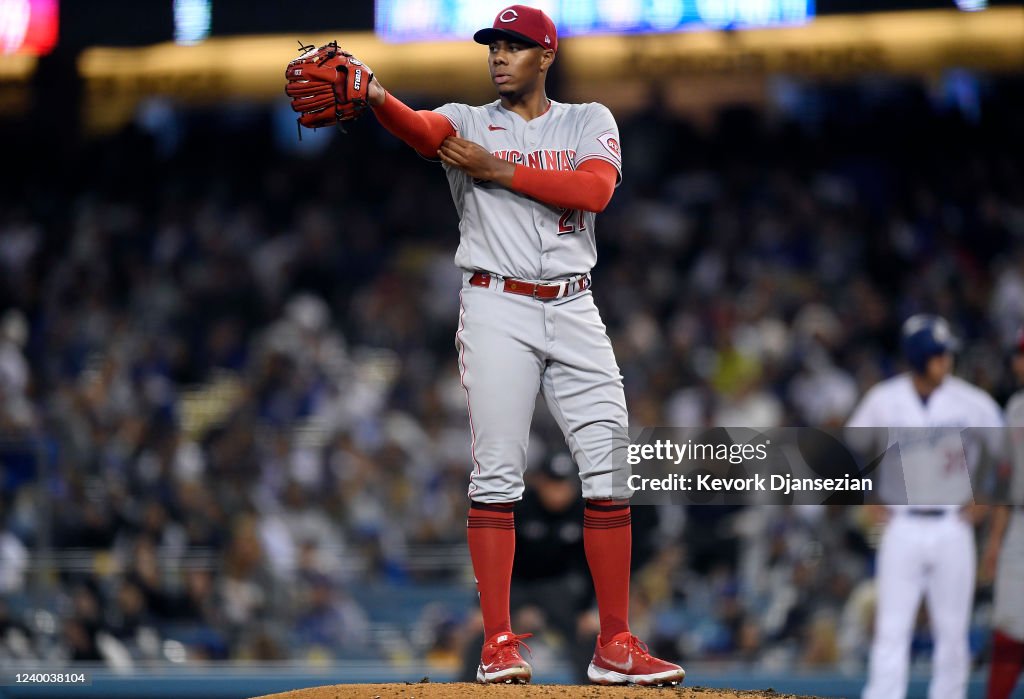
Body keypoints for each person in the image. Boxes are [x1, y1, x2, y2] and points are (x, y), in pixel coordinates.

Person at [359, 4, 684, 686]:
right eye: (493, 46)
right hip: (495, 302)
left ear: (546, 55)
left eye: (514, 46)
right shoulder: (468, 121)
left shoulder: (589, 119)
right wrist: (375, 95)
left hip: (573, 302)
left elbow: (594, 191)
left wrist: (497, 170)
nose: (499, 56)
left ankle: (616, 642)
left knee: (611, 468)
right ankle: (498, 641)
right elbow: (420, 132)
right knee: (498, 474)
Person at [846, 315, 1004, 699]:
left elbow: (1007, 457)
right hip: (902, 524)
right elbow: (847, 448)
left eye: (946, 353)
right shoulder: (884, 399)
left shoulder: (972, 401)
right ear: (917, 358)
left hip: (953, 525)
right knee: (892, 626)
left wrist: (986, 496)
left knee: (953, 630)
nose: (946, 361)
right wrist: (864, 494)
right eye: (937, 354)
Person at [981, 333, 1024, 699]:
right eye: (1019, 355)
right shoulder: (1015, 408)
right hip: (1019, 523)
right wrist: (994, 543)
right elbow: (1005, 483)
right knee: (1008, 626)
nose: (1019, 363)